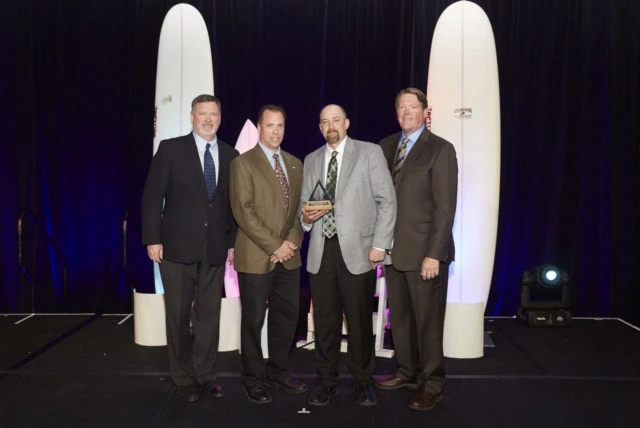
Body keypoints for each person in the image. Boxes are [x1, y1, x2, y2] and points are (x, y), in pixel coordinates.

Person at [141, 94, 239, 403]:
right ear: (192, 117)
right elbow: (152, 197)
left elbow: (232, 205)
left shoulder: (231, 154)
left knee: (209, 317)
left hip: (215, 249)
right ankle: (182, 378)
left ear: (220, 119)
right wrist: (153, 239)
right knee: (178, 317)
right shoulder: (170, 149)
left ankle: (206, 375)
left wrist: (233, 243)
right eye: (202, 114)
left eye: (213, 114)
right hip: (176, 249)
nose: (208, 119)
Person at [300, 104, 396, 407]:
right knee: (325, 322)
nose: (331, 126)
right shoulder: (311, 159)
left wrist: (380, 244)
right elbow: (304, 203)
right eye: (325, 122)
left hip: (359, 250)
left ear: (346, 123)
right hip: (321, 251)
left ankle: (363, 381)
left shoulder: (369, 153)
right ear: (320, 127)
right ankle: (325, 382)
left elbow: (387, 200)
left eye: (336, 120)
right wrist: (305, 217)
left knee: (359, 322)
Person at [376, 87, 458, 411]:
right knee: (401, 320)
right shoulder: (385, 147)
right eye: (401, 107)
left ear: (426, 112)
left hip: (425, 254)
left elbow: (445, 209)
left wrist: (434, 255)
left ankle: (432, 384)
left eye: (413, 106)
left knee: (428, 323)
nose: (406, 112)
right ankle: (407, 371)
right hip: (394, 253)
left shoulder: (440, 149)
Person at [230, 105, 307, 404]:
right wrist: (276, 246)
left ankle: (278, 372)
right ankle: (252, 379)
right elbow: (243, 212)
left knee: (286, 318)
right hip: (256, 256)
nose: (276, 131)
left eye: (280, 126)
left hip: (290, 256)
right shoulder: (243, 163)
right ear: (260, 128)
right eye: (270, 125)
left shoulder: (295, 163)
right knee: (252, 321)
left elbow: (299, 210)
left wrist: (291, 242)